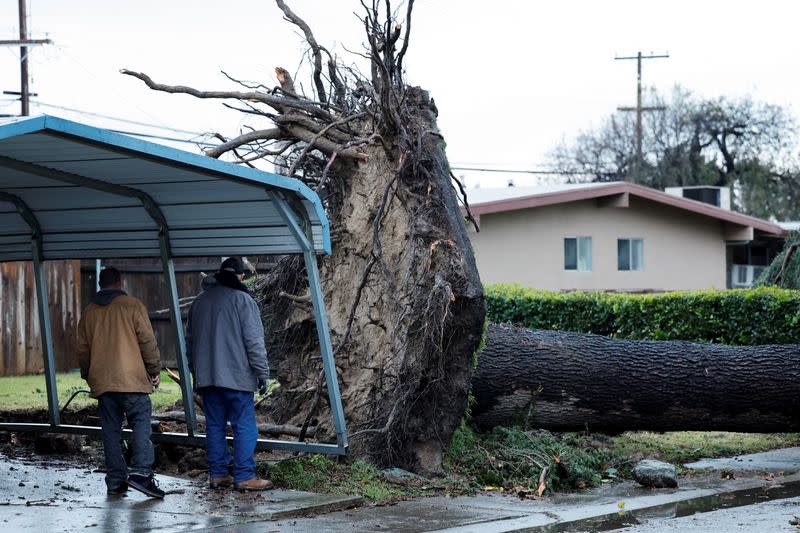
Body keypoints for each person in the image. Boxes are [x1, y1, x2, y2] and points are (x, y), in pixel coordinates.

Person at [77, 266, 164, 498]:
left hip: (104, 383)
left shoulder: (89, 312)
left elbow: (82, 350)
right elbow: (147, 341)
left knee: (110, 431)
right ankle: (141, 474)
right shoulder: (132, 306)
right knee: (141, 424)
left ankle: (115, 480)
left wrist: (89, 375)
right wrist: (154, 369)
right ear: (119, 282)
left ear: (99, 284)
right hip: (132, 381)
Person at [186, 257, 272, 491]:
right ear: (240, 276)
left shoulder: (199, 302)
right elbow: (254, 341)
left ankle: (217, 474)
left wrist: (196, 374)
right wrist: (263, 373)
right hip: (237, 378)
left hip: (208, 379)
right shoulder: (243, 300)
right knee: (245, 427)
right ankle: (244, 476)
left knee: (215, 426)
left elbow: (189, 344)